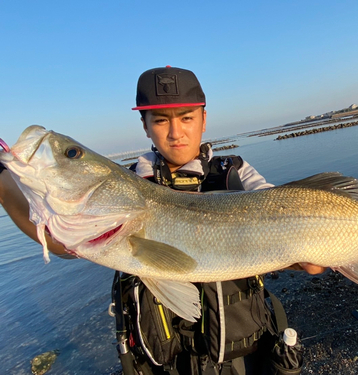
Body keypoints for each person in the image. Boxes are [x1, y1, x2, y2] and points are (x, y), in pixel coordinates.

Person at [0, 66, 325, 374]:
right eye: (160, 120)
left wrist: (306, 253)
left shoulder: (235, 173)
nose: (175, 132)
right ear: (145, 125)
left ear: (204, 118)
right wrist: (3, 182)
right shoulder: (127, 185)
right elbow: (58, 243)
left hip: (244, 359)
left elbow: (286, 206)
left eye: (186, 118)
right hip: (162, 363)